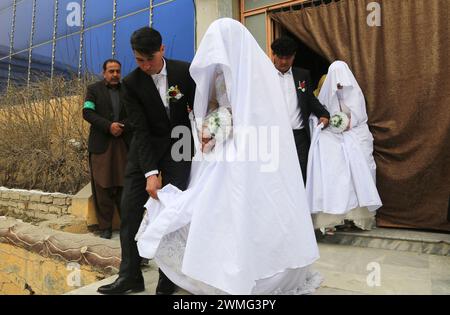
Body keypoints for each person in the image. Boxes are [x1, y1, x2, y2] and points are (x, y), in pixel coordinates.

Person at [135, 18, 322, 295]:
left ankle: (255, 270)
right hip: (219, 148)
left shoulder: (257, 73)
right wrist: (209, 128)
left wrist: (223, 127)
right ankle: (213, 267)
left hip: (251, 150)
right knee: (214, 206)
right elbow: (213, 104)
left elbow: (257, 115)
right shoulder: (220, 72)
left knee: (245, 204)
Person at [97, 27, 195, 295]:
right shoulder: (131, 83)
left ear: (162, 50)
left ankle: (169, 276)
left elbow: (198, 107)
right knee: (129, 211)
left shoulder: (185, 72)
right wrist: (150, 171)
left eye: (148, 59)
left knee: (172, 213)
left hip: (180, 145)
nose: (145, 65)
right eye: (139, 60)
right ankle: (129, 276)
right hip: (145, 148)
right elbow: (139, 128)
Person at [306, 61, 382, 233]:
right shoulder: (326, 94)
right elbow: (321, 114)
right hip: (334, 135)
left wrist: (347, 123)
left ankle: (357, 217)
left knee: (358, 165)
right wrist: (330, 124)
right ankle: (334, 216)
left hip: (355, 132)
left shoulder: (355, 93)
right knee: (333, 165)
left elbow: (359, 117)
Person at [271, 36, 330, 184]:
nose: (284, 62)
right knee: (277, 173)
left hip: (299, 136)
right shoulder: (264, 76)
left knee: (302, 172)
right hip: (275, 135)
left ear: (294, 57)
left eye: (288, 57)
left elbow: (309, 99)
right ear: (273, 56)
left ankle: (302, 206)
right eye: (280, 57)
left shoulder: (302, 75)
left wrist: (324, 114)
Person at [82, 59, 131, 239]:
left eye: (118, 71)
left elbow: (135, 114)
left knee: (124, 186)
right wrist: (109, 126)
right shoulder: (93, 90)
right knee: (102, 187)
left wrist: (122, 126)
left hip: (124, 144)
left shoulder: (128, 90)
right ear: (104, 73)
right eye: (111, 71)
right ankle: (105, 228)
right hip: (101, 144)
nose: (115, 74)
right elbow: (87, 112)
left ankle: (128, 228)